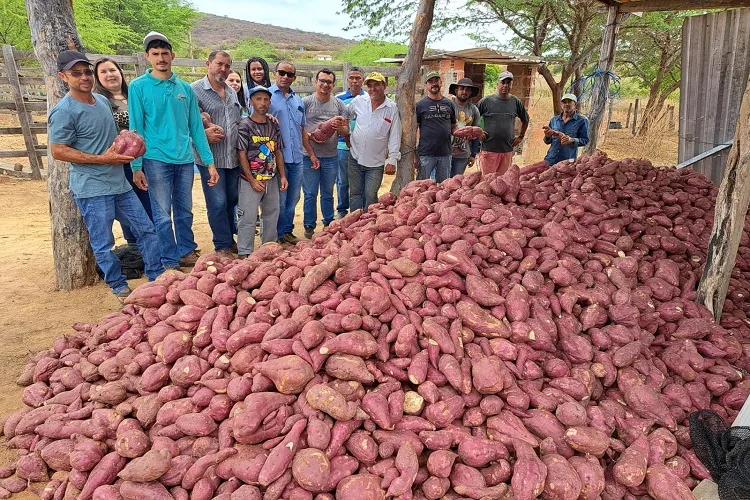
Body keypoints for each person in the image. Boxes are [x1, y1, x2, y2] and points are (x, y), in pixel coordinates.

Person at [48, 50, 163, 302]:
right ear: (63, 76)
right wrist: (102, 159)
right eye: (75, 73)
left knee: (147, 230)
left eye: (87, 72)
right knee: (103, 242)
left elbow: (110, 141)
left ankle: (157, 277)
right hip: (92, 188)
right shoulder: (64, 111)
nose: (84, 77)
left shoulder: (101, 102)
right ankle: (118, 286)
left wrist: (130, 141)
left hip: (119, 184)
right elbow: (58, 151)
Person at [128, 31, 218, 270]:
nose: (161, 58)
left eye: (165, 53)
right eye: (155, 54)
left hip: (184, 159)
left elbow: (196, 128)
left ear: (172, 56)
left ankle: (186, 250)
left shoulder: (185, 89)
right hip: (155, 158)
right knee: (161, 213)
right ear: (147, 57)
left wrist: (209, 162)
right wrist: (136, 166)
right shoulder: (138, 87)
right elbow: (135, 128)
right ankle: (168, 259)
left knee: (185, 210)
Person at [93, 57, 153, 246]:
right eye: (103, 72)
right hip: (119, 161)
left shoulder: (135, 95)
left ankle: (153, 241)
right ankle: (134, 244)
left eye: (112, 70)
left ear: (120, 72)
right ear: (97, 78)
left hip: (145, 157)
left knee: (148, 199)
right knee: (129, 202)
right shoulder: (99, 102)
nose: (109, 75)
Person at [191, 50, 243, 258]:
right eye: (219, 64)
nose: (223, 69)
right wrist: (204, 133)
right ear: (208, 63)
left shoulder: (231, 91)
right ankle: (221, 244)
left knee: (231, 199)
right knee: (217, 201)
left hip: (232, 157)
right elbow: (187, 125)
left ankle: (228, 239)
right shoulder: (194, 91)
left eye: (227, 65)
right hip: (210, 159)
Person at [269, 61, 318, 245]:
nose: (285, 77)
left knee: (294, 197)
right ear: (275, 73)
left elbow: (302, 130)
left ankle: (286, 231)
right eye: (282, 72)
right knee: (279, 200)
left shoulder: (298, 100)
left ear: (294, 78)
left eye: (289, 74)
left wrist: (311, 154)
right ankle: (276, 235)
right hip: (277, 157)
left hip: (296, 157)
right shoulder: (266, 97)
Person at [237, 86, 288, 256]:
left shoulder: (273, 124)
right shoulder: (245, 125)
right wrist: (251, 180)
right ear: (250, 102)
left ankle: (268, 248)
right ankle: (245, 252)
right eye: (258, 99)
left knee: (271, 214)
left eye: (266, 99)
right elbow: (242, 154)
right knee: (248, 217)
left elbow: (278, 150)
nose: (263, 103)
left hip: (271, 177)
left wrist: (282, 176)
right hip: (250, 179)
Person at [302, 69, 349, 239]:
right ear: (316, 82)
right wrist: (310, 139)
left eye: (329, 82)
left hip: (330, 155)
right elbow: (300, 129)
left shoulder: (338, 104)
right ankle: (309, 225)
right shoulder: (305, 102)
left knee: (328, 192)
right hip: (308, 156)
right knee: (310, 193)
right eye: (322, 80)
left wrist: (340, 127)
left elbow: (345, 131)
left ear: (333, 85)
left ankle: (328, 223)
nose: (325, 84)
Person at [347, 72, 401, 212]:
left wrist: (392, 159)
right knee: (355, 195)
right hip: (355, 157)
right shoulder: (359, 101)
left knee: (371, 196)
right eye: (370, 86)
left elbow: (395, 135)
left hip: (376, 163)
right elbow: (345, 116)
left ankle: (368, 226)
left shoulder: (391, 109)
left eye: (376, 85)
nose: (373, 89)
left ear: (384, 86)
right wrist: (346, 134)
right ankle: (354, 227)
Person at [477, 70, 530, 175]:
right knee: (487, 181)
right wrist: (478, 132)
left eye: (508, 83)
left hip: (507, 150)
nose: (505, 85)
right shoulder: (486, 101)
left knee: (503, 181)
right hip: (489, 149)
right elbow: (473, 118)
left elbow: (525, 119)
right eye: (503, 82)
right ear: (497, 84)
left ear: (511, 85)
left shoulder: (515, 102)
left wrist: (521, 136)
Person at [334, 66, 365, 218]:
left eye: (358, 78)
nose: (354, 81)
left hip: (364, 147)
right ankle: (342, 209)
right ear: (347, 80)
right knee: (343, 180)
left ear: (362, 80)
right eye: (351, 78)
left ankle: (362, 209)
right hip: (342, 146)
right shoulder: (339, 99)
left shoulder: (369, 98)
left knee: (361, 179)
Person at [416, 71, 456, 183]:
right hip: (426, 153)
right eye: (430, 81)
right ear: (426, 85)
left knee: (444, 187)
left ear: (441, 82)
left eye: (436, 81)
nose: (434, 84)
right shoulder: (420, 105)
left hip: (445, 153)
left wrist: (467, 133)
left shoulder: (449, 104)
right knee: (421, 186)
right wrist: (415, 154)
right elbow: (415, 129)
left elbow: (453, 127)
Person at [543, 93, 590, 165]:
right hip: (550, 159)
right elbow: (547, 141)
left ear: (575, 105)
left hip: (567, 162)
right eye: (564, 102)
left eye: (569, 102)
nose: (567, 104)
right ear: (561, 104)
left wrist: (571, 140)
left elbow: (585, 140)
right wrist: (547, 136)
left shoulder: (582, 121)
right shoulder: (554, 120)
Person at [448, 77, 481, 177]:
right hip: (445, 153)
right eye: (462, 88)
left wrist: (473, 154)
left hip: (463, 154)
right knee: (442, 183)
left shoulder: (474, 110)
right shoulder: (448, 106)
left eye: (467, 90)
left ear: (471, 93)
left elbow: (476, 134)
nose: (464, 91)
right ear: (456, 90)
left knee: (456, 182)